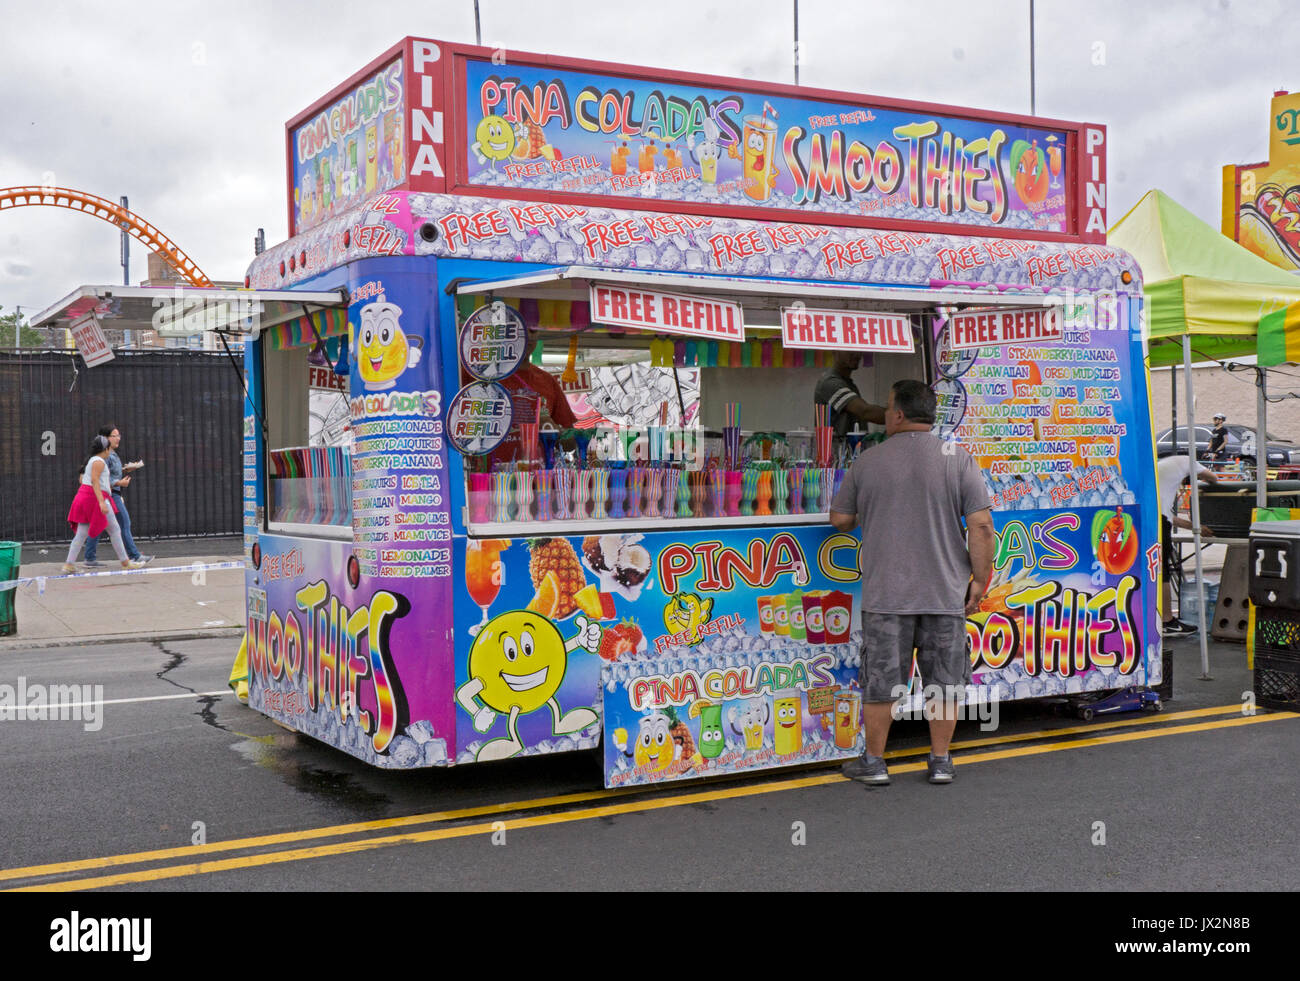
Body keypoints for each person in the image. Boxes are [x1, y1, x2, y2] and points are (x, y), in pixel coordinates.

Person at [828, 380, 996, 786]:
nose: (885, 414)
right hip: (945, 592)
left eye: (887, 408)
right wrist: (980, 579)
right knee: (944, 681)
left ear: (899, 414)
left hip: (887, 595)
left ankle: (874, 762)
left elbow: (840, 520)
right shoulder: (958, 458)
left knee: (882, 682)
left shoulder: (868, 462)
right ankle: (940, 761)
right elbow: (982, 525)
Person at [63, 435, 147, 573]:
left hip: (88, 497)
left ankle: (69, 564)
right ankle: (126, 562)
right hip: (95, 498)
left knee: (82, 533)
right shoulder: (99, 462)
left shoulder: (95, 460)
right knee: (114, 529)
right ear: (105, 448)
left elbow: (98, 481)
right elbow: (95, 481)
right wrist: (102, 502)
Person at [1157, 453, 1219, 636]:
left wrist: (1194, 527)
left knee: (1155, 571)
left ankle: (1159, 618)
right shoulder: (1184, 460)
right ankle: (1167, 621)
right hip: (1159, 524)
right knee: (1163, 573)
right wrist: (1202, 478)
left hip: (1151, 520)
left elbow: (1169, 517)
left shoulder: (1163, 467)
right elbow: (1213, 478)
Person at [84, 424, 151, 567]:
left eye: (119, 435)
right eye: (114, 435)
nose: (118, 438)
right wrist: (118, 483)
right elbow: (102, 478)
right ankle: (134, 556)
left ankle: (89, 557)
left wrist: (125, 470)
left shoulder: (110, 454)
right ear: (106, 438)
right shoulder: (105, 456)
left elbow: (106, 475)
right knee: (123, 523)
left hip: (110, 494)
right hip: (109, 495)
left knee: (99, 525)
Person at [813, 351, 886, 440]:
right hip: (836, 451)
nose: (857, 354)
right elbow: (865, 411)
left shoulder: (847, 383)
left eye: (859, 350)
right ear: (834, 351)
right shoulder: (830, 382)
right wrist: (901, 417)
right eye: (850, 350)